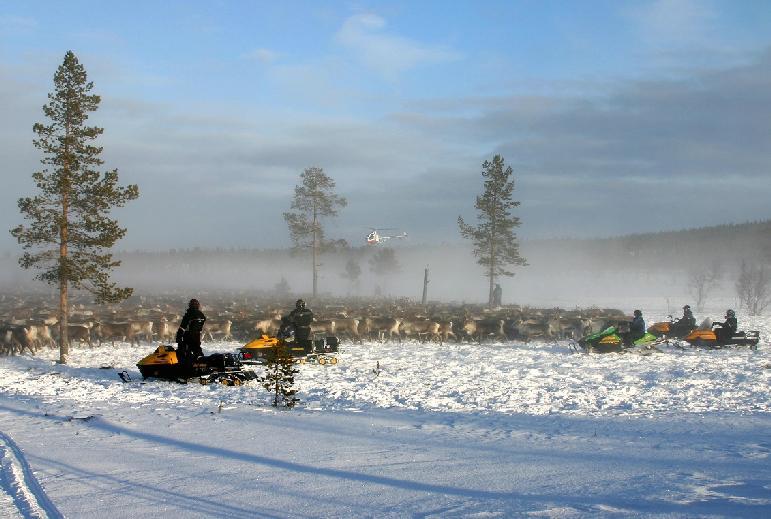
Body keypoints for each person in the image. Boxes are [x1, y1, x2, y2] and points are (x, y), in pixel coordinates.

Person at [175, 298, 206, 370]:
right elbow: (203, 321)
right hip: (198, 335)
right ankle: (202, 365)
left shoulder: (189, 314)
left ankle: (186, 368)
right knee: (197, 350)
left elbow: (183, 326)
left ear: (190, 305)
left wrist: (179, 336)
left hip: (188, 335)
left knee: (185, 350)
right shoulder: (201, 315)